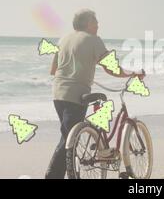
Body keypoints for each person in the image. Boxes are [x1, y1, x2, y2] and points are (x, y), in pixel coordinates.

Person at [45, 9, 144, 179]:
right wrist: (132, 73)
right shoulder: (93, 40)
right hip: (76, 96)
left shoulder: (63, 39)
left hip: (58, 94)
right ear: (88, 23)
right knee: (68, 140)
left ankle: (70, 171)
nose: (98, 25)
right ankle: (51, 176)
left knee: (68, 137)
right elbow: (112, 68)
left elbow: (53, 70)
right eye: (95, 22)